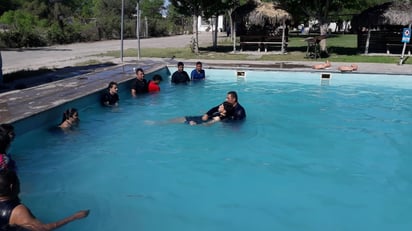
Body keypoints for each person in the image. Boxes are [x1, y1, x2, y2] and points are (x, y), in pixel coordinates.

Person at [0, 170, 89, 231]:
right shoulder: (18, 211)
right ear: (11, 186)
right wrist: (73, 217)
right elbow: (43, 229)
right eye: (18, 182)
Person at [169, 102, 234, 126]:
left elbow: (207, 124)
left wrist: (195, 124)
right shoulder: (222, 114)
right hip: (200, 119)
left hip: (197, 122)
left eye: (221, 106)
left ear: (224, 111)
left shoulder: (218, 118)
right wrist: (206, 114)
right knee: (180, 119)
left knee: (180, 120)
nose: (219, 106)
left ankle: (160, 123)